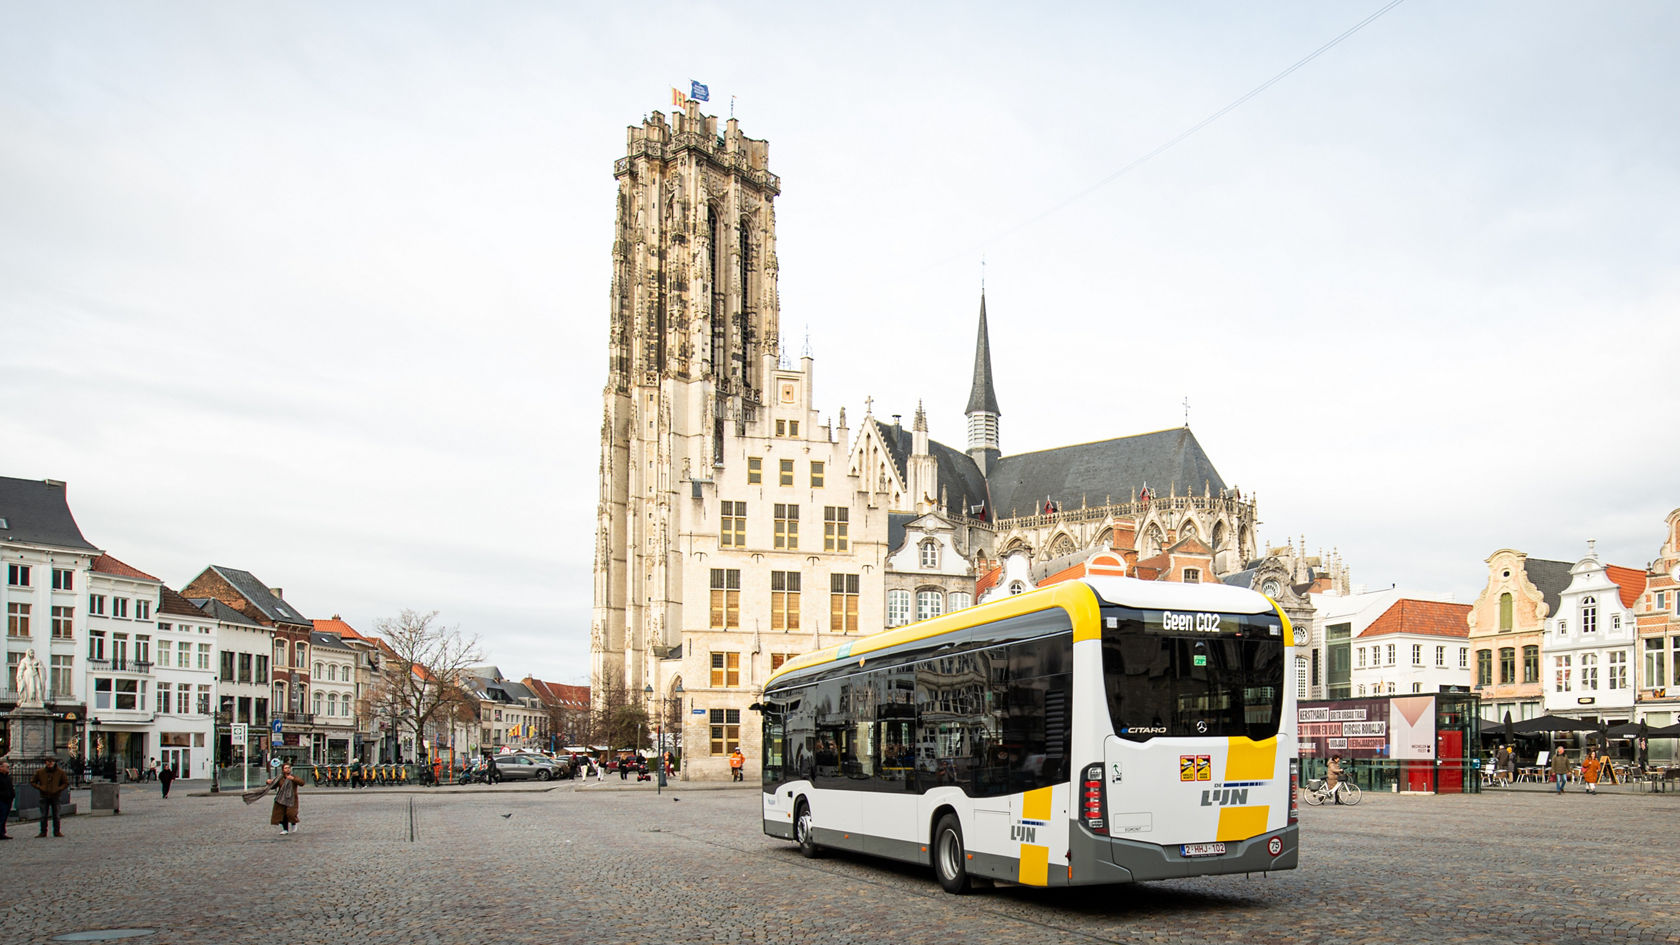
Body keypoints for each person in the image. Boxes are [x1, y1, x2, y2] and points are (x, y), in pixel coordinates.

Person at [32, 756, 69, 837]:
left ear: (54, 762)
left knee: (56, 815)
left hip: (56, 796)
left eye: (51, 762)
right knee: (43, 815)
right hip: (44, 795)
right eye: (48, 762)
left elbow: (66, 783)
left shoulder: (60, 772)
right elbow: (33, 781)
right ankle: (43, 831)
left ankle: (57, 831)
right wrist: (40, 787)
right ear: (46, 762)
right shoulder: (40, 772)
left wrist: (59, 788)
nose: (49, 763)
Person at [267, 762, 304, 835]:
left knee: (291, 813)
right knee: (282, 814)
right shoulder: (280, 778)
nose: (287, 769)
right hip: (281, 798)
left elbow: (302, 783)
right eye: (285, 768)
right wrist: (269, 782)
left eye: (288, 768)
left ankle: (293, 823)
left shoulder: (293, 776)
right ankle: (285, 829)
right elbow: (274, 786)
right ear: (283, 770)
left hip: (292, 798)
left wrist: (293, 779)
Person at [0, 759, 15, 840]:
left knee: (5, 816)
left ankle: (2, 832)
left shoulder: (8, 777)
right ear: (1, 767)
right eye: (7, 767)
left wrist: (12, 794)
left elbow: (10, 787)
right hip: (1, 799)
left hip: (8, 799)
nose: (8, 768)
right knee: (1, 816)